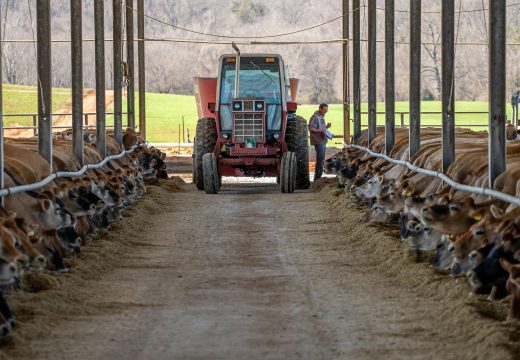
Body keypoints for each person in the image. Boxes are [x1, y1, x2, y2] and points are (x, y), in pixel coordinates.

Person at [308, 103, 331, 180]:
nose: (326, 112)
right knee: (320, 159)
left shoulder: (321, 117)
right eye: (325, 110)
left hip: (322, 140)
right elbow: (310, 128)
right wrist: (320, 130)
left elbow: (321, 128)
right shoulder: (315, 117)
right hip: (318, 141)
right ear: (320, 109)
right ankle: (317, 177)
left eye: (327, 110)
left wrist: (326, 127)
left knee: (321, 159)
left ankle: (319, 176)